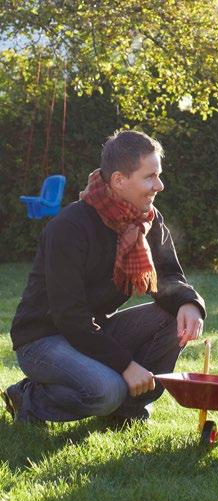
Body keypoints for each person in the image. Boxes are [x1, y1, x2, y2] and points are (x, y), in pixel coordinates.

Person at [1, 130, 205, 426]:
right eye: (150, 177)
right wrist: (125, 365)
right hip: (43, 338)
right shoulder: (69, 227)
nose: (159, 185)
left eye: (158, 175)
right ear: (119, 181)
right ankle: (29, 399)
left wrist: (189, 303)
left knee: (172, 316)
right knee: (107, 390)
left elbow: (168, 275)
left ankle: (128, 410)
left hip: (92, 331)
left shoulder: (146, 219)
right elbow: (69, 317)